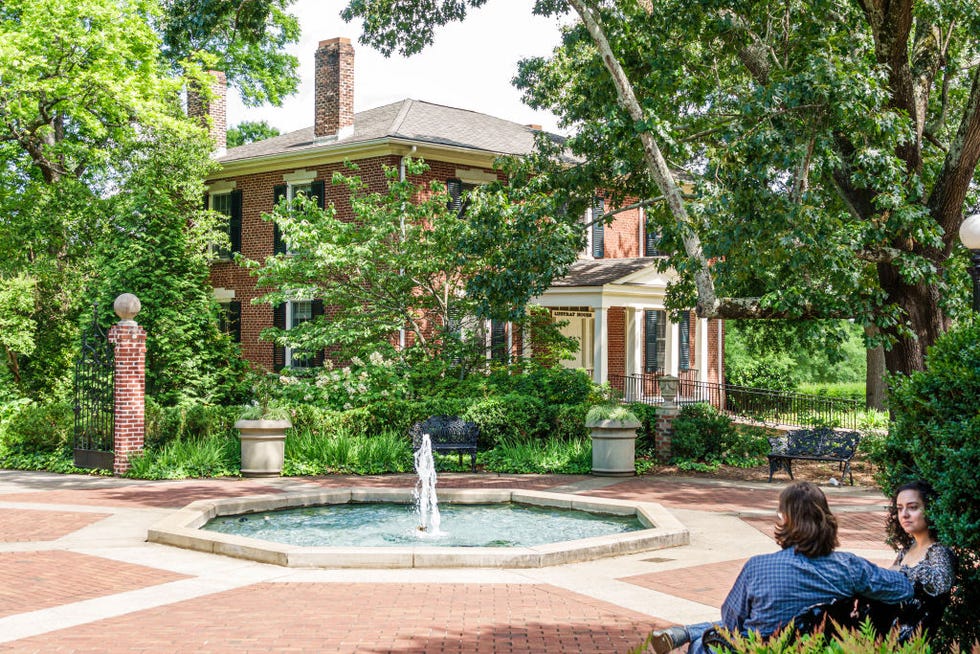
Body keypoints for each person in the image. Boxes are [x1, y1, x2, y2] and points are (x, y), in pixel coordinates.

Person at [646, 481, 913, 654]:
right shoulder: (850, 567)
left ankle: (684, 633)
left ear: (785, 520)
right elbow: (902, 588)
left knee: (701, 644)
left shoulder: (758, 568)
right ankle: (682, 632)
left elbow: (730, 623)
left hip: (759, 649)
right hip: (821, 647)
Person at [880, 480, 956, 640]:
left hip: (914, 643)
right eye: (900, 509)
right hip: (888, 638)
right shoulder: (907, 549)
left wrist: (901, 574)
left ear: (929, 509)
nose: (904, 514)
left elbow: (941, 585)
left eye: (913, 507)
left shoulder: (938, 551)